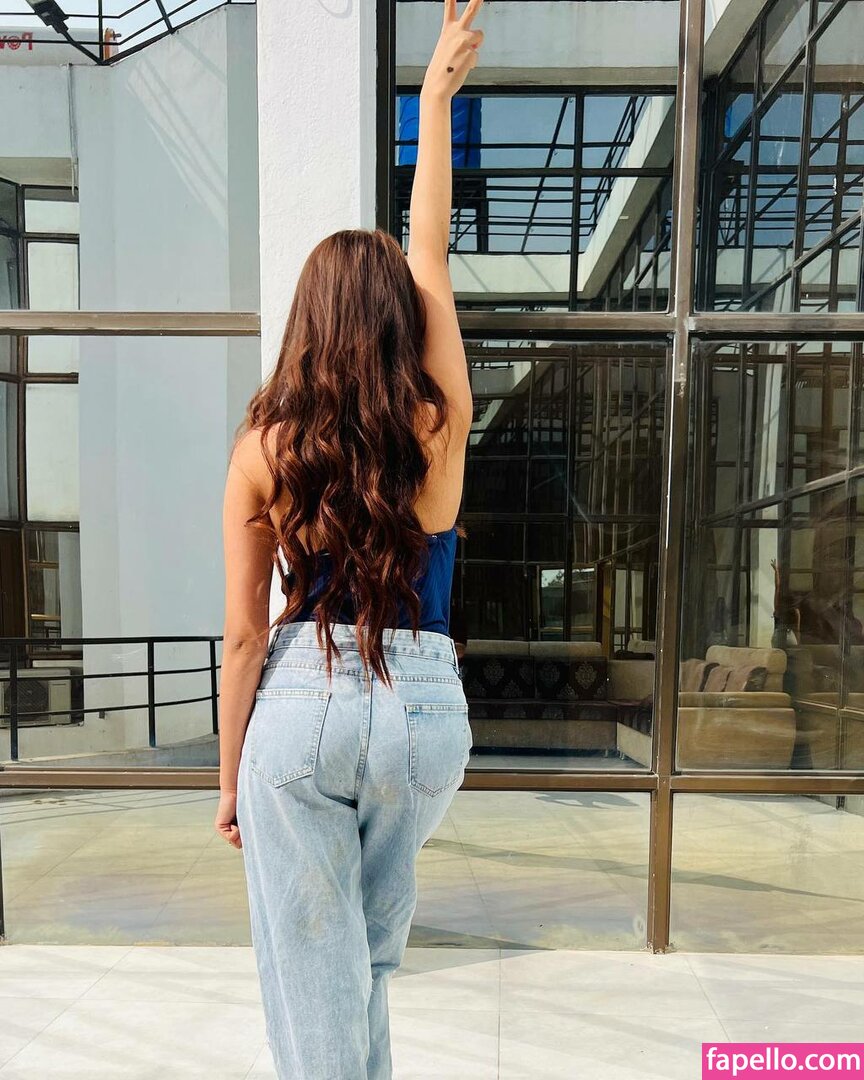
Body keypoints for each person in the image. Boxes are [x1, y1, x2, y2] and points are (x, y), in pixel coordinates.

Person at [213, 3, 486, 1077]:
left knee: (311, 977)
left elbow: (244, 638)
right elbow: (431, 254)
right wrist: (432, 106)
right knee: (363, 970)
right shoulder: (436, 425)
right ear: (398, 321)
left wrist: (228, 778)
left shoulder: (261, 449)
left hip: (301, 710)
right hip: (424, 723)